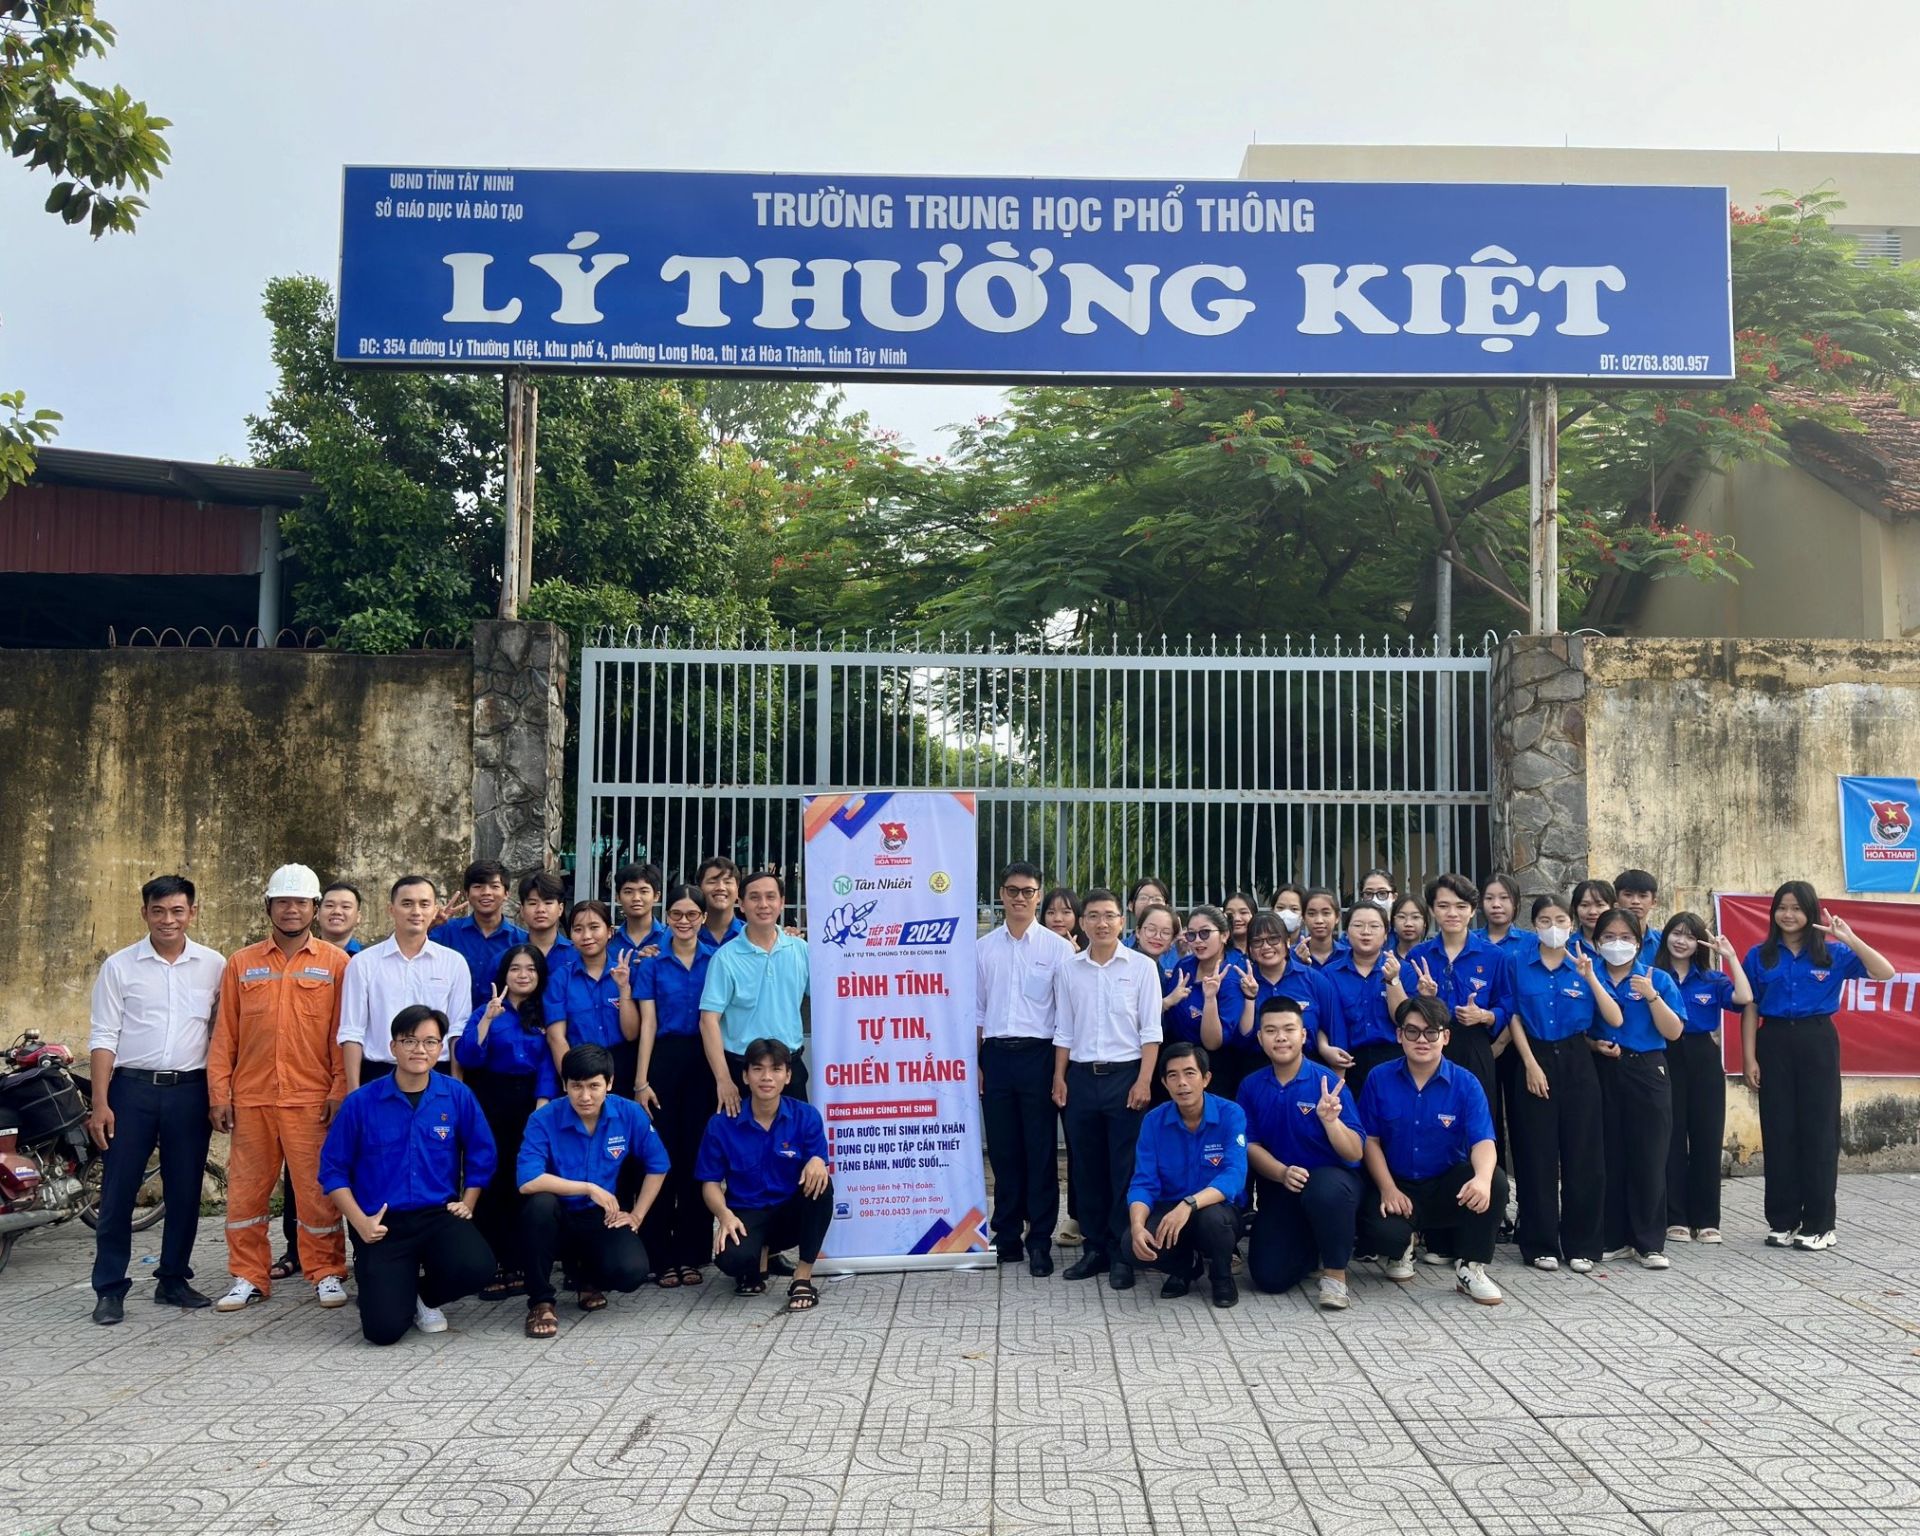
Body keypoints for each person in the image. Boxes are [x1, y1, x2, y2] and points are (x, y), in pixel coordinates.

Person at [208, 864, 350, 1313]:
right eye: (283, 902)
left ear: (314, 908)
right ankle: (248, 1275)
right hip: (252, 1099)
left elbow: (343, 1035)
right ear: (268, 906)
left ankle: (326, 1272)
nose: (292, 909)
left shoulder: (337, 963)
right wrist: (219, 1094)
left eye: (301, 902)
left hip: (312, 1100)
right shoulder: (241, 963)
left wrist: (339, 1089)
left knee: (317, 1193)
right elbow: (224, 1034)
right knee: (246, 1194)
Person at [86, 875, 227, 1325]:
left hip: (190, 1090)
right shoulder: (120, 967)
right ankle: (109, 1287)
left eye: (177, 911)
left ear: (192, 913)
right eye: (159, 911)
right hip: (132, 1091)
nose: (168, 920)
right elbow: (104, 1036)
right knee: (118, 1190)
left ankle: (173, 1279)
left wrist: (220, 1093)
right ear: (144, 912)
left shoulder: (214, 965)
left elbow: (220, 1035)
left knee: (185, 1190)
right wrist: (101, 1103)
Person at [319, 1005, 498, 1344]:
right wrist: (360, 1223)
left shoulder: (456, 1095)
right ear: (393, 1047)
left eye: (430, 1042)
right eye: (409, 1041)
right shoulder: (361, 1103)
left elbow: (481, 1154)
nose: (420, 1050)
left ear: (440, 1048)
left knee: (479, 1268)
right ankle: (395, 1291)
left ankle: (423, 1296)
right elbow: (333, 1171)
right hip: (382, 1223)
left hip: (437, 1214)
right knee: (383, 1331)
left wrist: (469, 1201)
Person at [1740, 881, 1893, 1252]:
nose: (1788, 915)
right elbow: (1751, 1007)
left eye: (1797, 908)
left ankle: (1820, 1224)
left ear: (1810, 913)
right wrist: (1749, 1058)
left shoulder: (1833, 953)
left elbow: (1885, 972)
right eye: (1782, 907)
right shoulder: (1760, 956)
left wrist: (1850, 937)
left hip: (1817, 1041)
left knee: (1819, 1133)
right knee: (1778, 1131)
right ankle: (1783, 1220)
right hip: (1774, 1040)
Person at [1356, 997, 1508, 1306]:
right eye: (1412, 1031)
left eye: (1431, 1032)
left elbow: (1483, 1141)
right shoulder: (1379, 1078)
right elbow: (1369, 1140)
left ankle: (1470, 1268)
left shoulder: (1466, 1083)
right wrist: (1387, 1188)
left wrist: (1481, 1179)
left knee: (1495, 1180)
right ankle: (1401, 1249)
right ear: (1399, 1035)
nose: (1421, 1040)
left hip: (1444, 1186)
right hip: (1397, 1186)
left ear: (1446, 1037)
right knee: (1384, 1234)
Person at [1050, 888, 1163, 1290]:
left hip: (1126, 1077)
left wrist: (1144, 1080)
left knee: (1124, 1168)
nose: (1102, 923)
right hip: (1081, 1077)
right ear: (1083, 923)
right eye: (1094, 916)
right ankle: (1094, 1247)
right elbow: (1064, 1029)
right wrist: (1059, 1076)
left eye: (1109, 915)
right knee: (1086, 1167)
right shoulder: (1069, 969)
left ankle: (1121, 1251)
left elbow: (1151, 1031)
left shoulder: (1142, 967)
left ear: (1122, 921)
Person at [517, 1043, 669, 1337]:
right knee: (539, 1206)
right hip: (557, 1216)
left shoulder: (628, 1113)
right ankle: (541, 1301)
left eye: (594, 1086)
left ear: (609, 1083)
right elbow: (528, 1180)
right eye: (576, 1086)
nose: (585, 1096)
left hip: (601, 1217)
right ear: (564, 1085)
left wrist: (637, 1215)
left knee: (631, 1271)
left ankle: (587, 1279)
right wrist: (588, 1188)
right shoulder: (543, 1119)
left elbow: (658, 1164)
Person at [1503, 896, 1618, 1272]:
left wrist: (1590, 977)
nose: (1553, 927)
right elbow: (1513, 1016)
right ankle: (1540, 1244)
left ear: (1571, 924)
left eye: (1560, 920)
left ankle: (1582, 1244)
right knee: (1535, 1155)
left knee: (1583, 1154)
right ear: (1533, 924)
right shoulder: (1517, 962)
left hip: (1577, 1059)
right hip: (1533, 1056)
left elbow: (1613, 1017)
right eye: (1544, 920)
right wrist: (1530, 1065)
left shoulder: (1587, 961)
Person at [976, 863, 1076, 1276]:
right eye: (1012, 890)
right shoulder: (983, 948)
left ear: (1038, 896)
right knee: (1003, 1151)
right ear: (1001, 894)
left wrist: (1058, 1074)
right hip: (996, 1057)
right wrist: (978, 1063)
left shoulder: (1058, 950)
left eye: (1028, 891)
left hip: (1039, 1057)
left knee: (1040, 1151)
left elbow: (1065, 1019)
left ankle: (1040, 1240)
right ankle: (1006, 1236)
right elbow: (977, 1011)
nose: (1020, 898)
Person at [1238, 996, 1365, 1308]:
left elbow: (1355, 1152)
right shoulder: (1251, 1086)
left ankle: (1335, 1275)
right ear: (1260, 1038)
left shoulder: (1327, 1082)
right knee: (1269, 1278)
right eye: (1271, 1031)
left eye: (1289, 1029)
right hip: (1283, 1186)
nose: (1280, 1037)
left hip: (1331, 1185)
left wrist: (1331, 1122)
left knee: (1324, 1190)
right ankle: (1311, 1248)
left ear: (1304, 1035)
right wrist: (1281, 1172)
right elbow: (1250, 1145)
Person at [697, 1039, 833, 1311]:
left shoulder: (806, 1116)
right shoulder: (721, 1124)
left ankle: (802, 1276)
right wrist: (724, 1216)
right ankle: (758, 1256)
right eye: (758, 1069)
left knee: (823, 1185)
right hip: (746, 1213)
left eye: (776, 1069)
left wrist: (818, 1160)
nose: (767, 1077)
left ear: (788, 1076)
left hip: (789, 1214)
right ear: (745, 1076)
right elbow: (709, 1183)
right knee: (731, 1260)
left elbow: (818, 1161)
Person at [454, 943, 557, 1300]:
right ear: (504, 974)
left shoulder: (546, 1012)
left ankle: (519, 1262)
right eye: (515, 968)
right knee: (490, 1175)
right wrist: (487, 1020)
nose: (523, 975)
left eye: (531, 969)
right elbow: (468, 1056)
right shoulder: (486, 1010)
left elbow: (549, 1062)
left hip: (531, 1100)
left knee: (523, 1178)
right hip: (490, 1098)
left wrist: (542, 1103)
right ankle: (491, 1263)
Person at [1589, 908, 1685, 1267]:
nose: (1618, 944)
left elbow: (1674, 1031)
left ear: (1639, 943)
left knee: (1649, 1155)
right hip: (1603, 1067)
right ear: (1597, 942)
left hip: (1647, 1069)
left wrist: (1651, 996)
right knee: (1609, 1154)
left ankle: (1649, 1243)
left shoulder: (1656, 978)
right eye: (1609, 937)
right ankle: (1613, 1238)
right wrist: (1593, 1045)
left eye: (1626, 938)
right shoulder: (1589, 974)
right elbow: (1576, 1025)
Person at [635, 884, 720, 1287]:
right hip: (664, 1061)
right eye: (676, 914)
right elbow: (647, 1024)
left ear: (703, 918)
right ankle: (659, 1254)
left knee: (696, 1157)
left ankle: (693, 1253)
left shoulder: (716, 959)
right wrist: (641, 1080)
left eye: (692, 915)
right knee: (660, 1156)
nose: (683, 922)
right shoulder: (652, 961)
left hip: (703, 1061)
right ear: (666, 916)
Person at [1125, 1043, 1248, 1308]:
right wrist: (1136, 1225)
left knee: (1213, 1221)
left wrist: (1189, 1204)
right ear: (1164, 1083)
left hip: (1216, 1210)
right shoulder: (1153, 1121)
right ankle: (1186, 1267)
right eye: (1173, 1075)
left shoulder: (1230, 1114)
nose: (1182, 1083)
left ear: (1206, 1078)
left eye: (1190, 1073)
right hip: (1170, 1211)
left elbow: (1235, 1175)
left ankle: (1221, 1275)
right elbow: (1144, 1182)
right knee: (1130, 1245)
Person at [1655, 914, 1752, 1245]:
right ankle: (1676, 1218)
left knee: (1706, 1139)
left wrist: (1731, 957)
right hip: (1665, 1054)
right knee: (1671, 1139)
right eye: (1676, 934)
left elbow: (1744, 998)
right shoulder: (1654, 976)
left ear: (1700, 944)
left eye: (1689, 936)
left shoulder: (1712, 979)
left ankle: (1707, 1219)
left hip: (1703, 1057)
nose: (1681, 941)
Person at [337, 876, 473, 1089]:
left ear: (435, 910)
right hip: (377, 1073)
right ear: (391, 909)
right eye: (407, 903)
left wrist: (456, 1087)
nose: (416, 911)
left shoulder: (454, 963)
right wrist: (354, 1092)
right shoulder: (363, 963)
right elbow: (352, 1030)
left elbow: (457, 1030)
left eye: (424, 904)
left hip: (438, 1073)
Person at [699, 871, 811, 1111]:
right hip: (741, 1072)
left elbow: (829, 998)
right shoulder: (725, 958)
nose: (763, 904)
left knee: (795, 1133)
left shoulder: (801, 950)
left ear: (782, 902)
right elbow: (708, 1020)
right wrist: (723, 1079)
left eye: (771, 897)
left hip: (789, 1069)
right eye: (754, 897)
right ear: (741, 904)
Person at [1405, 874, 1510, 1120]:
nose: (1452, 913)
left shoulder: (1494, 956)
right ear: (1432, 910)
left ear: (1472, 911)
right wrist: (1425, 999)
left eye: (1461, 906)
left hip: (1474, 1044)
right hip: (1430, 1043)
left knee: (1479, 1116)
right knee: (1432, 1115)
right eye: (1443, 906)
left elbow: (1506, 1004)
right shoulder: (1418, 955)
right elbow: (1405, 1009)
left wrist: (1484, 1016)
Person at [544, 900, 639, 1096]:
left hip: (621, 1068)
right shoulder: (560, 979)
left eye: (594, 927)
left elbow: (631, 1034)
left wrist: (624, 989)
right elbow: (556, 1037)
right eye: (578, 929)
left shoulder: (626, 973)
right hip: (578, 1067)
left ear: (610, 931)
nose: (586, 936)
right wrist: (572, 1081)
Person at [1237, 913, 1341, 1087]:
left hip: (1310, 1073)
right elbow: (1241, 1040)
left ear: (1287, 942)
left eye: (1273, 939)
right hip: (1256, 1073)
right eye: (1257, 942)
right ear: (1250, 950)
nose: (1266, 946)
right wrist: (1249, 997)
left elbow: (1334, 1030)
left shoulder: (1314, 980)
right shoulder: (1241, 983)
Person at [1164, 905, 1252, 1097]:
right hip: (1174, 1059)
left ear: (1224, 935)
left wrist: (1210, 998)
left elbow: (1213, 1043)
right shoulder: (1184, 966)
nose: (1197, 940)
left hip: (1213, 1068)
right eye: (1191, 935)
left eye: (1205, 933)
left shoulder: (1233, 976)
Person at [1320, 903, 1407, 1094]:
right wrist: (1324, 1049)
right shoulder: (1329, 973)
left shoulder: (1404, 969)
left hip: (1393, 1059)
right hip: (1347, 1062)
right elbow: (1319, 1021)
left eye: (1374, 926)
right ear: (1346, 931)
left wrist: (1393, 980)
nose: (1366, 932)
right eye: (1358, 925)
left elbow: (1404, 1019)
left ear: (1386, 934)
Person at [433, 860, 529, 1011]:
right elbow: (410, 950)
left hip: (500, 1020)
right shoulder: (446, 930)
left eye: (494, 886)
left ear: (506, 894)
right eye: (478, 886)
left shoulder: (522, 941)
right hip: (450, 1018)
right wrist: (429, 924)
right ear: (467, 894)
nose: (486, 892)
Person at [610, 861, 669, 964]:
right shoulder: (609, 941)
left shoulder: (670, 938)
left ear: (656, 896)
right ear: (618, 897)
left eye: (644, 891)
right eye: (628, 892)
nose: (636, 898)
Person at [517, 869, 575, 971]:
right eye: (533, 903)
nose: (540, 909)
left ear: (560, 909)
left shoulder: (577, 955)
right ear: (522, 910)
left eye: (548, 903)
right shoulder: (508, 955)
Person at [695, 856, 746, 950]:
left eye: (727, 882)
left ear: (738, 890)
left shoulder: (750, 935)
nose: (720, 888)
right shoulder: (686, 933)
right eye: (712, 882)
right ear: (699, 889)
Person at [1614, 869, 1665, 963]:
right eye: (1628, 895)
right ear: (1617, 900)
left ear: (1654, 902)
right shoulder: (1607, 941)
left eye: (1643, 896)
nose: (1635, 901)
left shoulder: (1663, 942)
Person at [1131, 902, 1180, 983]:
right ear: (1138, 932)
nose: (1157, 936)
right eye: (1151, 929)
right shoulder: (1124, 965)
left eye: (1165, 932)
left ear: (1172, 940)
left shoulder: (1161, 973)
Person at [1298, 887, 1345, 968]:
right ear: (1303, 918)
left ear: (1337, 917)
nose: (1319, 920)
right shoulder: (1292, 956)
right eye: (1311, 914)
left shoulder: (1349, 955)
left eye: (1326, 913)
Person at [1479, 874, 1525, 954]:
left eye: (1504, 897)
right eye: (1489, 898)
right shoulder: (1469, 941)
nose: (1496, 904)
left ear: (1515, 903)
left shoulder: (1532, 943)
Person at [1570, 879, 1617, 956]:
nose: (1592, 912)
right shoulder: (1566, 946)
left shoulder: (1625, 945)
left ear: (1613, 907)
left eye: (1600, 905)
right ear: (1575, 908)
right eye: (1585, 905)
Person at [318, 881, 365, 955]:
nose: (337, 911)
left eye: (345, 906)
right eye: (329, 905)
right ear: (317, 913)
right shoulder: (301, 954)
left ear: (358, 916)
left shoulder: (369, 957)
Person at [1042, 886, 1084, 951]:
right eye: (1051, 912)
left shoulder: (1091, 946)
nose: (1058, 919)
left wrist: (1078, 955)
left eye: (1066, 912)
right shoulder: (1035, 944)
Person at [1388, 895, 1429, 963]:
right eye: (1402, 917)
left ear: (1425, 922)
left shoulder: (1433, 956)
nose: (1408, 923)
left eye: (1415, 917)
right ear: (1393, 922)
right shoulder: (1384, 957)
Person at [1222, 892, 1258, 958]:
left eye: (1243, 912)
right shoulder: (1216, 952)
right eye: (1230, 913)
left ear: (1254, 915)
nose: (1236, 918)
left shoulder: (1263, 950)